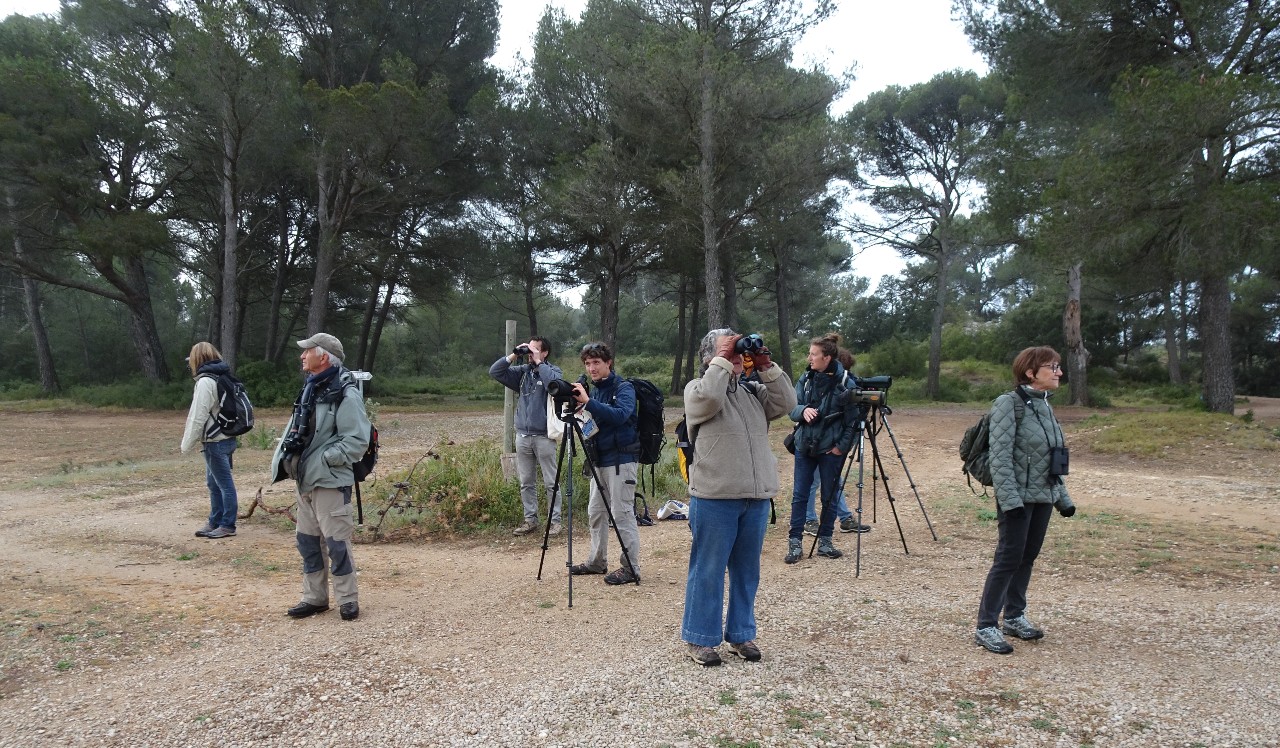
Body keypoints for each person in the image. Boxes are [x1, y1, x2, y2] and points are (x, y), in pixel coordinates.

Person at [681, 330, 796, 666]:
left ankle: (741, 634)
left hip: (755, 498)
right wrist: (722, 358)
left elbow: (788, 403)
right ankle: (699, 639)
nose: (734, 354)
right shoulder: (697, 390)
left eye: (735, 350)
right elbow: (709, 399)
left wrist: (765, 364)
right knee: (708, 570)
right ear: (709, 358)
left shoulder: (751, 392)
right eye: (725, 350)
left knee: (747, 572)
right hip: (715, 497)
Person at [974, 346, 1076, 654]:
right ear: (1031, 372)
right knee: (1008, 558)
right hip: (1017, 499)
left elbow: (1052, 460)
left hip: (1042, 497)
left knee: (1027, 558)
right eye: (1052, 367)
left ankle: (1014, 616)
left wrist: (1062, 498)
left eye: (1058, 366)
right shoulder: (1009, 403)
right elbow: (1001, 458)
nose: (1058, 372)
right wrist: (1010, 501)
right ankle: (986, 625)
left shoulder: (1045, 405)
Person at [270, 333, 371, 622]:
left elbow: (356, 441)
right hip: (306, 480)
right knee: (307, 542)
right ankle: (314, 598)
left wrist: (326, 460)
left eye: (307, 352)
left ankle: (347, 600)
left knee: (337, 543)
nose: (302, 356)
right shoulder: (311, 388)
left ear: (324, 356)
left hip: (328, 480)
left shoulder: (345, 393)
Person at [567, 342, 641, 585]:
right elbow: (593, 423)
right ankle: (597, 561)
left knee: (622, 514)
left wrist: (588, 403)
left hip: (622, 460)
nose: (591, 368)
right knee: (596, 513)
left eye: (596, 362)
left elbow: (621, 415)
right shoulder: (594, 390)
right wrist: (579, 412)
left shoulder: (624, 387)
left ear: (608, 362)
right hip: (598, 461)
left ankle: (631, 568)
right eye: (588, 364)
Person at [785, 332, 858, 564]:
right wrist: (803, 410)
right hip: (804, 446)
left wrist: (840, 448)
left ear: (827, 357)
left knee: (829, 496)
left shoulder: (846, 383)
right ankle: (795, 543)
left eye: (813, 354)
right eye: (810, 354)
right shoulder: (805, 379)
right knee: (799, 495)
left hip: (830, 450)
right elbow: (791, 407)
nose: (809, 358)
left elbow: (853, 422)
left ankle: (825, 541)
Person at [489, 336, 564, 536]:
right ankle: (530, 520)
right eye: (528, 350)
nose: (530, 353)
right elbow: (495, 371)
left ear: (545, 352)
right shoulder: (522, 373)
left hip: (544, 436)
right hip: (523, 435)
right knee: (526, 482)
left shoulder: (553, 370)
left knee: (551, 481)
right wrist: (515, 354)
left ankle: (555, 522)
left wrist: (539, 362)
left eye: (534, 349)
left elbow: (553, 384)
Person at [803, 347, 867, 535]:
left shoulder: (844, 382)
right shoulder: (815, 382)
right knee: (813, 482)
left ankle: (845, 517)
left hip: (830, 443)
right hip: (813, 443)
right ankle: (809, 519)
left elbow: (851, 419)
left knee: (833, 481)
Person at [180, 342, 240, 540]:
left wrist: (186, 444)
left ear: (197, 360)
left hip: (215, 441)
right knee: (214, 483)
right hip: (228, 437)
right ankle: (215, 521)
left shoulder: (206, 381)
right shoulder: (224, 376)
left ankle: (226, 524)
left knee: (223, 484)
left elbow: (198, 415)